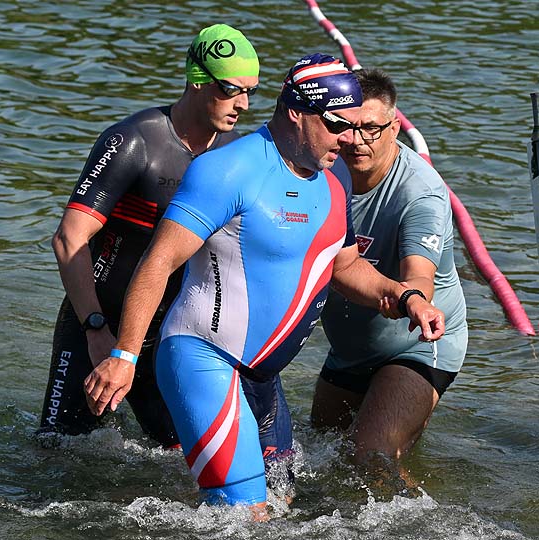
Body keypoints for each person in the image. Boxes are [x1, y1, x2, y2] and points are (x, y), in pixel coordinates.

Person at [83, 54, 445, 517]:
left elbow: (344, 264)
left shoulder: (335, 176)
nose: (349, 140)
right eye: (337, 125)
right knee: (247, 518)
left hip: (262, 378)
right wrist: (125, 356)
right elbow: (158, 263)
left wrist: (404, 295)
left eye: (356, 127)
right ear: (296, 112)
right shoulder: (228, 170)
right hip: (203, 358)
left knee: (283, 507)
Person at [39, 23, 259, 447]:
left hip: (170, 334)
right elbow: (69, 239)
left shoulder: (235, 155)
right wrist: (96, 329)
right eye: (232, 89)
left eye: (251, 91)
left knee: (181, 457)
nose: (244, 105)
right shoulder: (134, 141)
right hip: (98, 319)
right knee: (58, 452)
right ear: (197, 80)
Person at [311, 68, 468, 465]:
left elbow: (420, 276)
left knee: (371, 456)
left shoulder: (420, 194)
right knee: (314, 456)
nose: (356, 141)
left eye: (371, 129)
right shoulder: (321, 170)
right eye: (347, 127)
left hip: (417, 344)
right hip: (350, 349)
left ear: (394, 128)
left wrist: (413, 300)